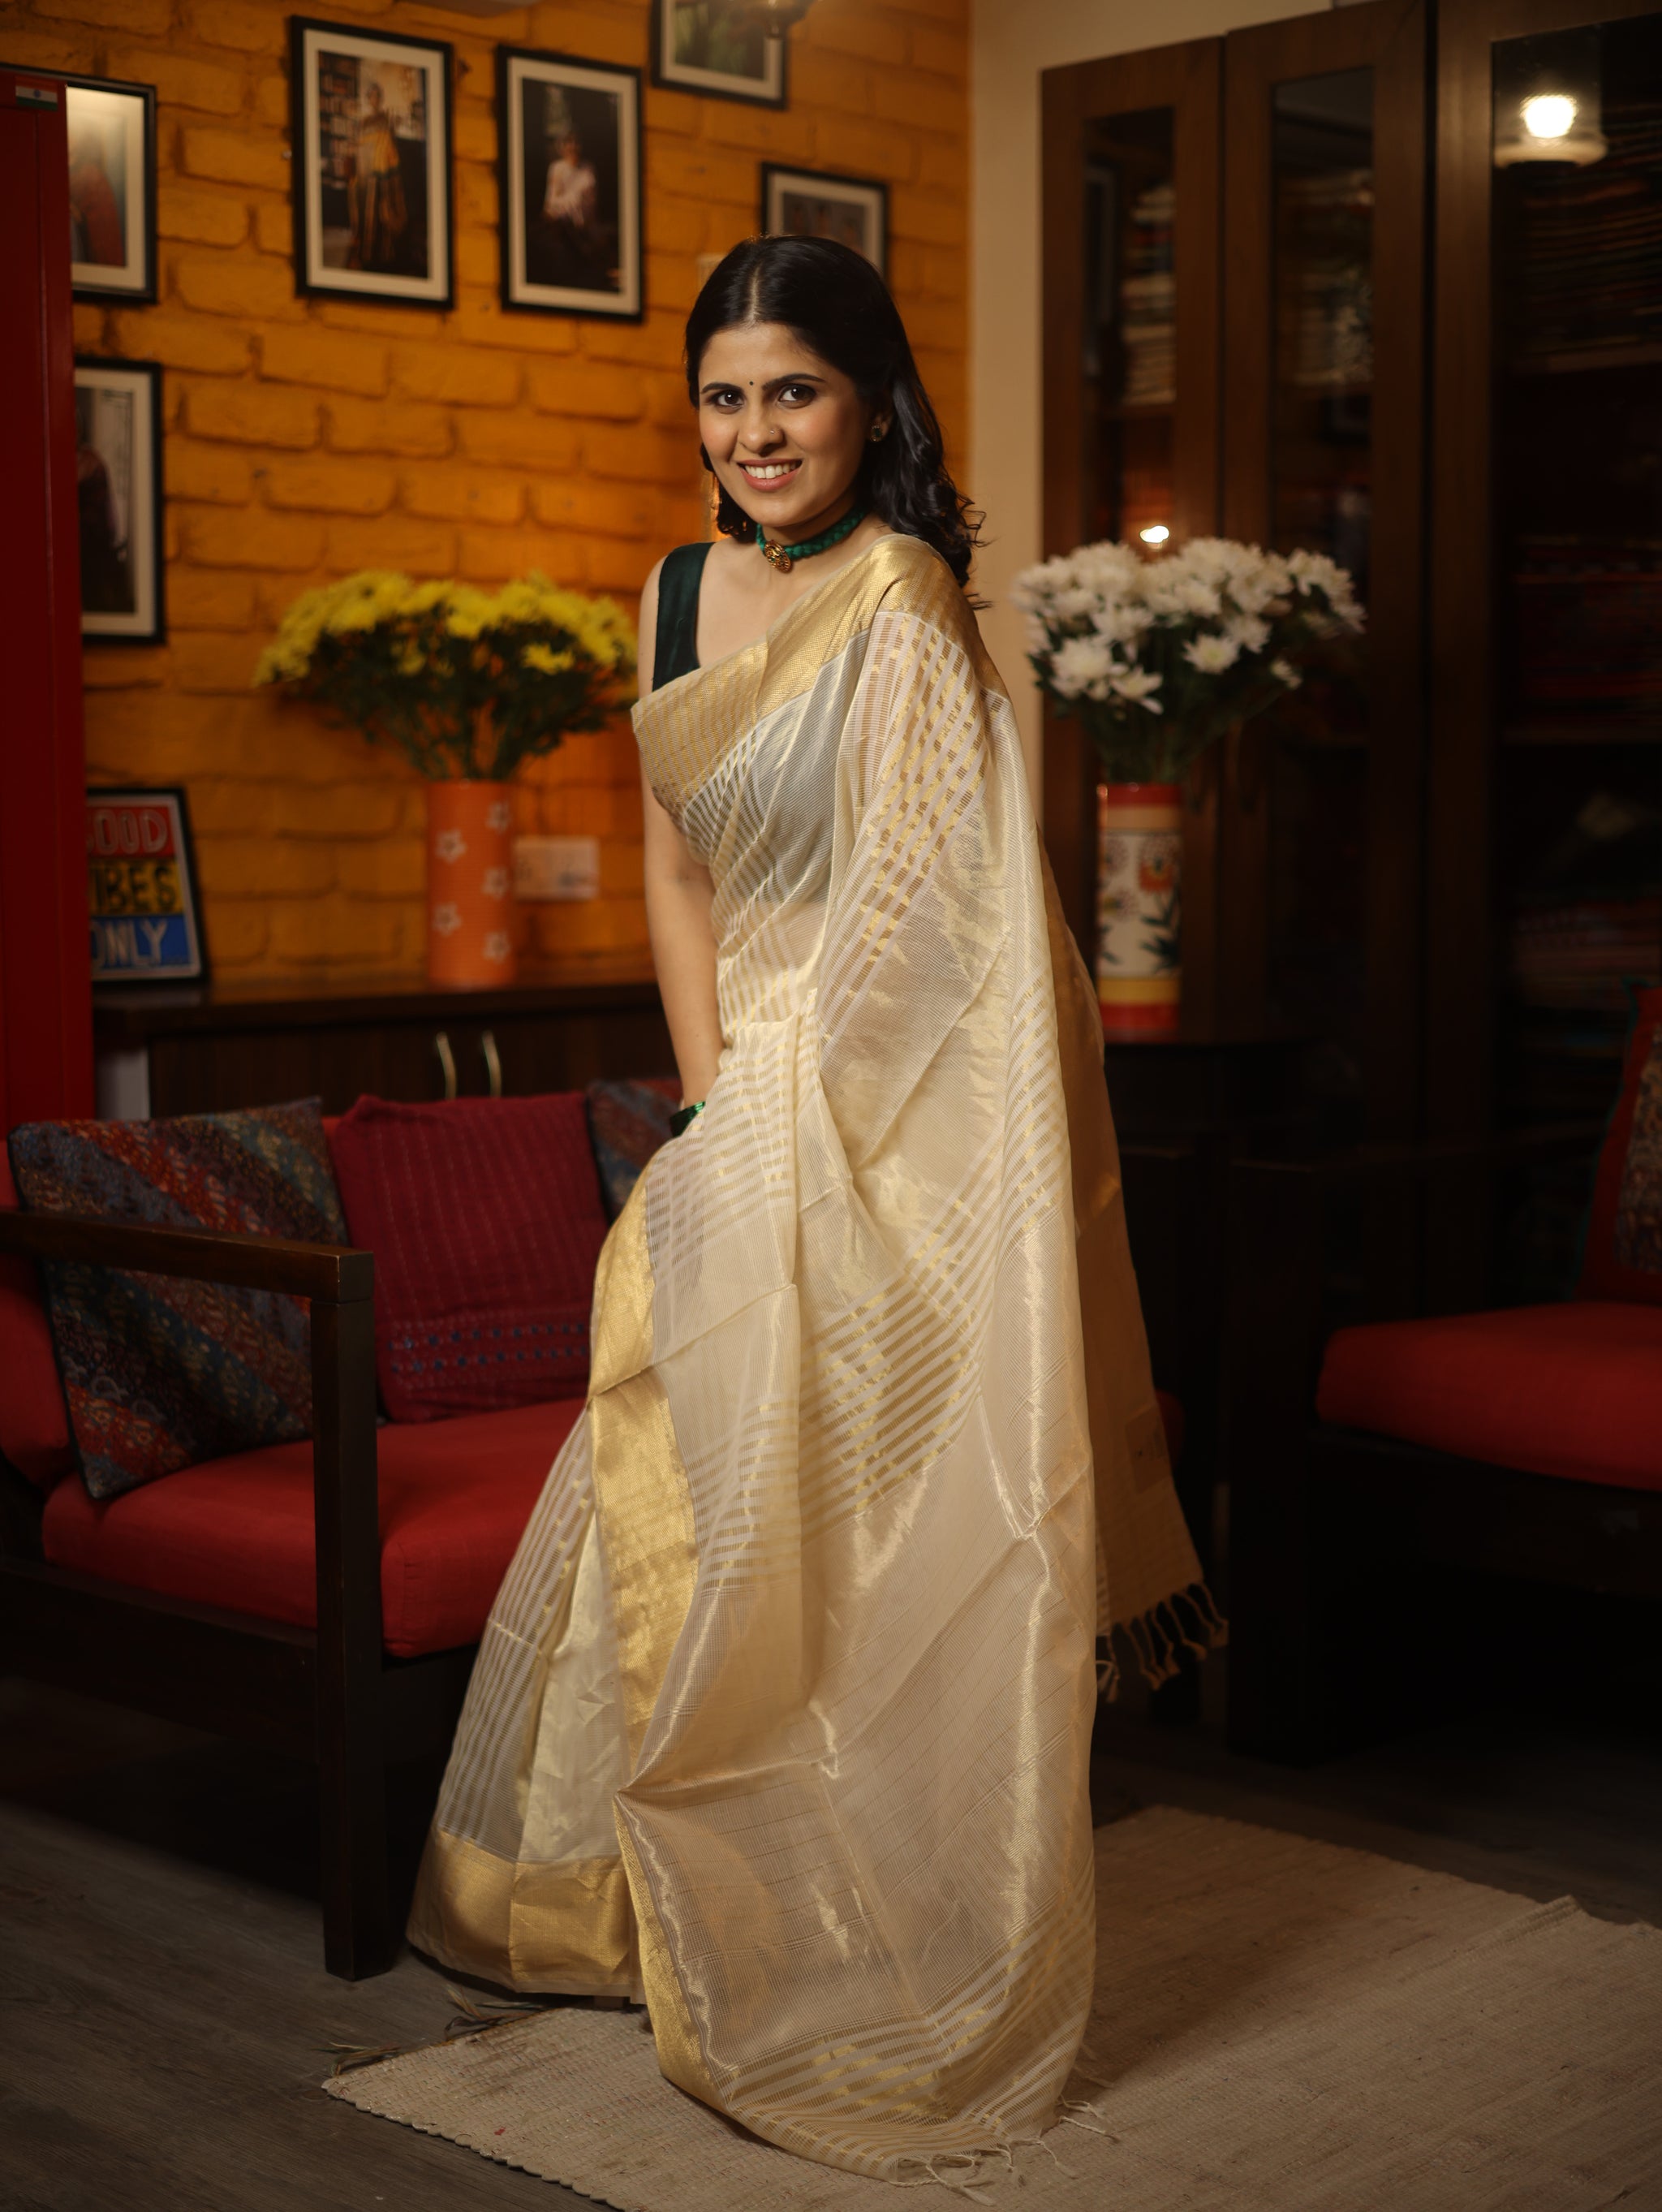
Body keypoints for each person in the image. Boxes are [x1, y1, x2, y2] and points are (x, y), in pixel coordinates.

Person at [408, 235, 1221, 2186]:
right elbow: (674, 869)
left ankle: (853, 1927)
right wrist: (708, 1107)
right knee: (676, 1471)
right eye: (724, 396)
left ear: (868, 404)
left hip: (894, 1119)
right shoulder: (677, 589)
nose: (756, 431)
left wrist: (796, 1119)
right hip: (743, 1100)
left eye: (794, 392)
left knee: (848, 1530)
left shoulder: (904, 598)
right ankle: (614, 1906)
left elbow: (923, 921)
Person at [347, 80, 406, 273]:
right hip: (364, 174)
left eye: (377, 96)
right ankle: (364, 253)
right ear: (368, 99)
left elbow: (391, 144)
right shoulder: (362, 123)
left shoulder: (387, 119)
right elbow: (356, 145)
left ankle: (383, 254)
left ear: (380, 98)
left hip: (382, 176)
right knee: (365, 214)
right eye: (371, 96)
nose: (374, 99)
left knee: (381, 212)